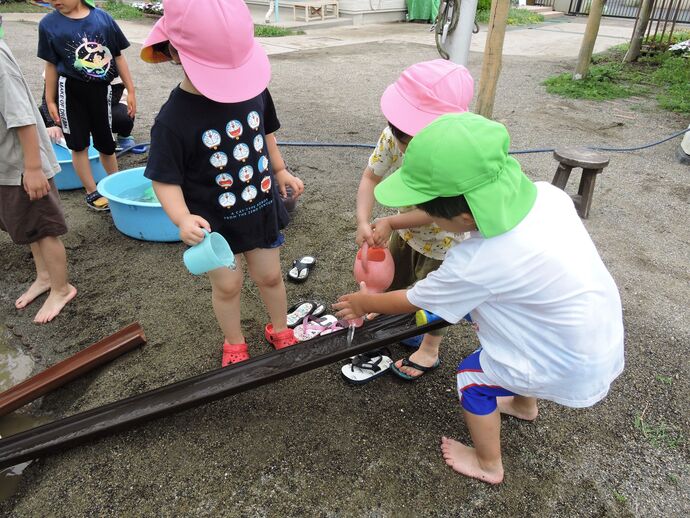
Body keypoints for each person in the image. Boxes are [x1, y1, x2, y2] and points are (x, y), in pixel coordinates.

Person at [335, 113, 625, 484]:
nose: (431, 223)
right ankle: (523, 404)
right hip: (595, 336)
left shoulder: (476, 261)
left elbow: (413, 299)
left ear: (463, 217)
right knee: (505, 335)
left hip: (567, 362)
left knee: (471, 378)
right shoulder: (548, 197)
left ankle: (488, 464)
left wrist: (364, 303)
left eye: (433, 217)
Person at [141, 0, 304, 367]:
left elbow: (266, 133)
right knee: (228, 286)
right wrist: (181, 218)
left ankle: (280, 326)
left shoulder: (252, 88)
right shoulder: (173, 119)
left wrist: (279, 171)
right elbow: (163, 178)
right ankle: (234, 340)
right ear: (174, 54)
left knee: (271, 275)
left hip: (260, 208)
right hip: (214, 226)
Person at [351, 59, 474, 381]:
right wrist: (364, 220)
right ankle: (389, 313)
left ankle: (429, 348)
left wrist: (392, 222)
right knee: (395, 278)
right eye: (404, 140)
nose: (404, 145)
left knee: (436, 297)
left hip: (445, 240)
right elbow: (370, 177)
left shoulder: (460, 151)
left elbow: (446, 211)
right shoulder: (394, 134)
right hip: (405, 233)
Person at [0, 17, 77, 323]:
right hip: (8, 163)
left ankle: (62, 287)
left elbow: (22, 117)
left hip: (24, 165)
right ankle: (44, 277)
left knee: (44, 229)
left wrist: (32, 168)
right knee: (29, 226)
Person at [38, 0, 136, 210]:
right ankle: (91, 191)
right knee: (78, 144)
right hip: (70, 91)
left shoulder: (103, 19)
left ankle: (116, 185)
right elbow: (51, 64)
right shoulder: (48, 24)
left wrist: (131, 90)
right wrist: (50, 99)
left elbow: (118, 56)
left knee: (106, 143)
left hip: (101, 90)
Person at [38, 75, 136, 151]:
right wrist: (54, 124)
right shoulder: (60, 55)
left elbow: (116, 93)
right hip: (73, 104)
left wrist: (83, 116)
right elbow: (47, 97)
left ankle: (124, 136)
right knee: (41, 113)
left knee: (123, 118)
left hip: (108, 103)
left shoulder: (106, 56)